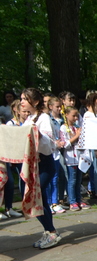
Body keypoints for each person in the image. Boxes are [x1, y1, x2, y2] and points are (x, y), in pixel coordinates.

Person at [20, 88, 62, 248]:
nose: (22, 101)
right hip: (34, 164)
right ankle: (49, 231)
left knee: (35, 196)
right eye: (22, 98)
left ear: (35, 102)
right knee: (40, 198)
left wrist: (35, 134)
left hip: (45, 163)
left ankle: (51, 232)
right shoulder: (29, 118)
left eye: (25, 98)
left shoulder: (43, 118)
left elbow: (48, 144)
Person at [59, 106, 87, 211]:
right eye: (73, 115)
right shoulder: (63, 128)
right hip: (70, 158)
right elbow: (65, 144)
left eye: (77, 116)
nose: (76, 118)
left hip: (79, 158)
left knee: (79, 180)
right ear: (66, 115)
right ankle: (72, 201)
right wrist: (77, 136)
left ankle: (79, 199)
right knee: (72, 180)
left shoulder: (76, 127)